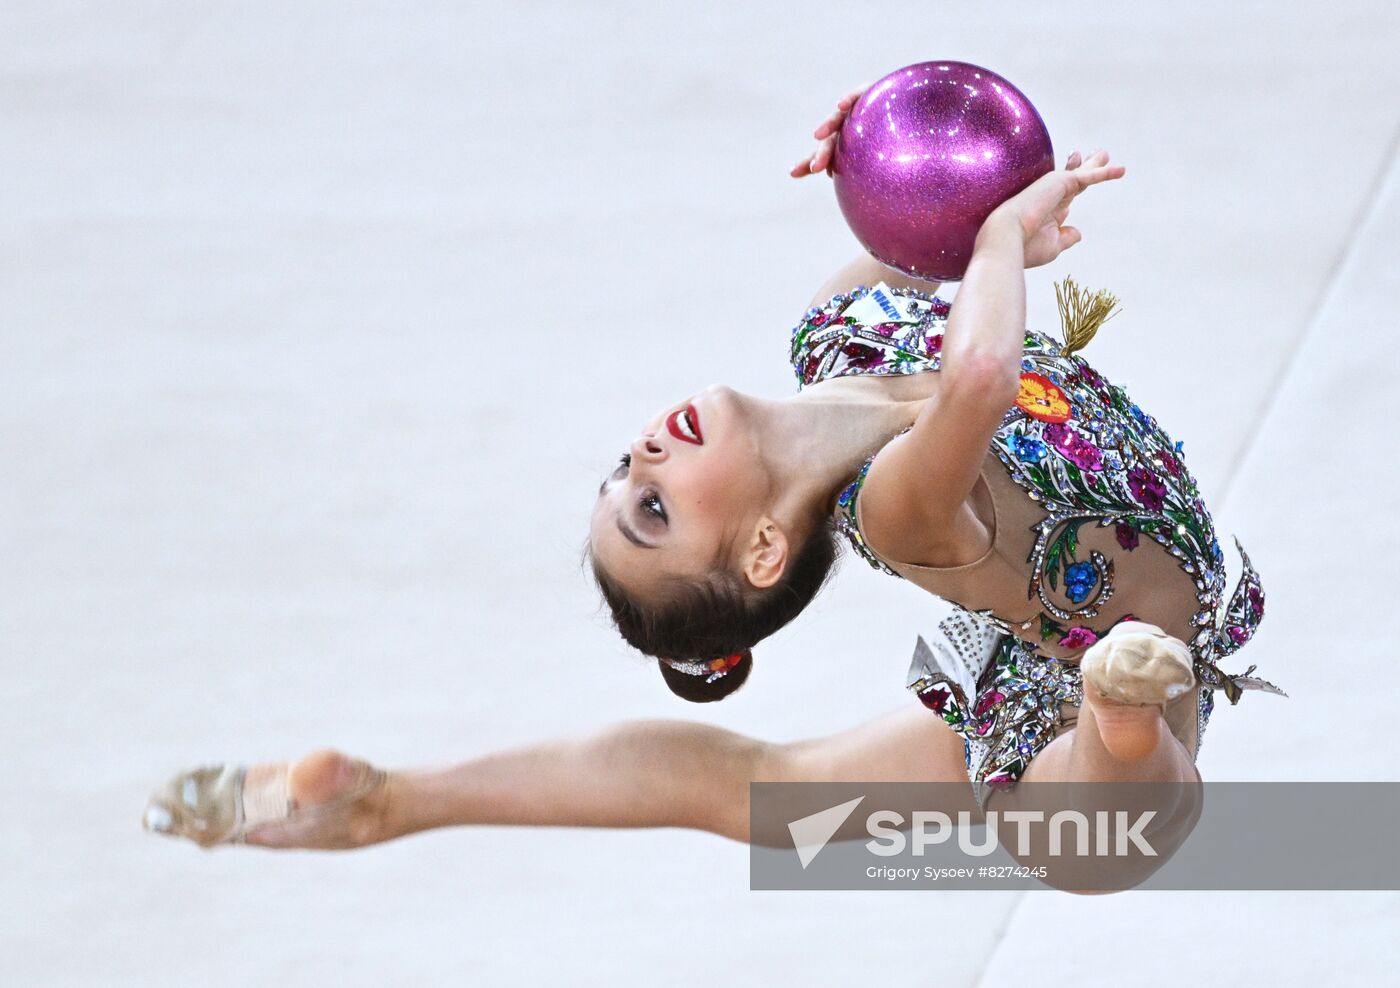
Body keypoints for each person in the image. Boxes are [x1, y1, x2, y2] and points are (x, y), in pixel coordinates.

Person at [144, 85, 1281, 857]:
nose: (641, 453)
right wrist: (998, 246)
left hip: (1041, 662)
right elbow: (979, 375)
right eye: (649, 508)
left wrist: (883, 160)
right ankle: (1120, 719)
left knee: (763, 793)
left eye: (619, 468)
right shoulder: (896, 507)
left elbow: (931, 231)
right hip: (1099, 703)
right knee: (1103, 835)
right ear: (760, 549)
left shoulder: (835, 332)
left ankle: (394, 801)